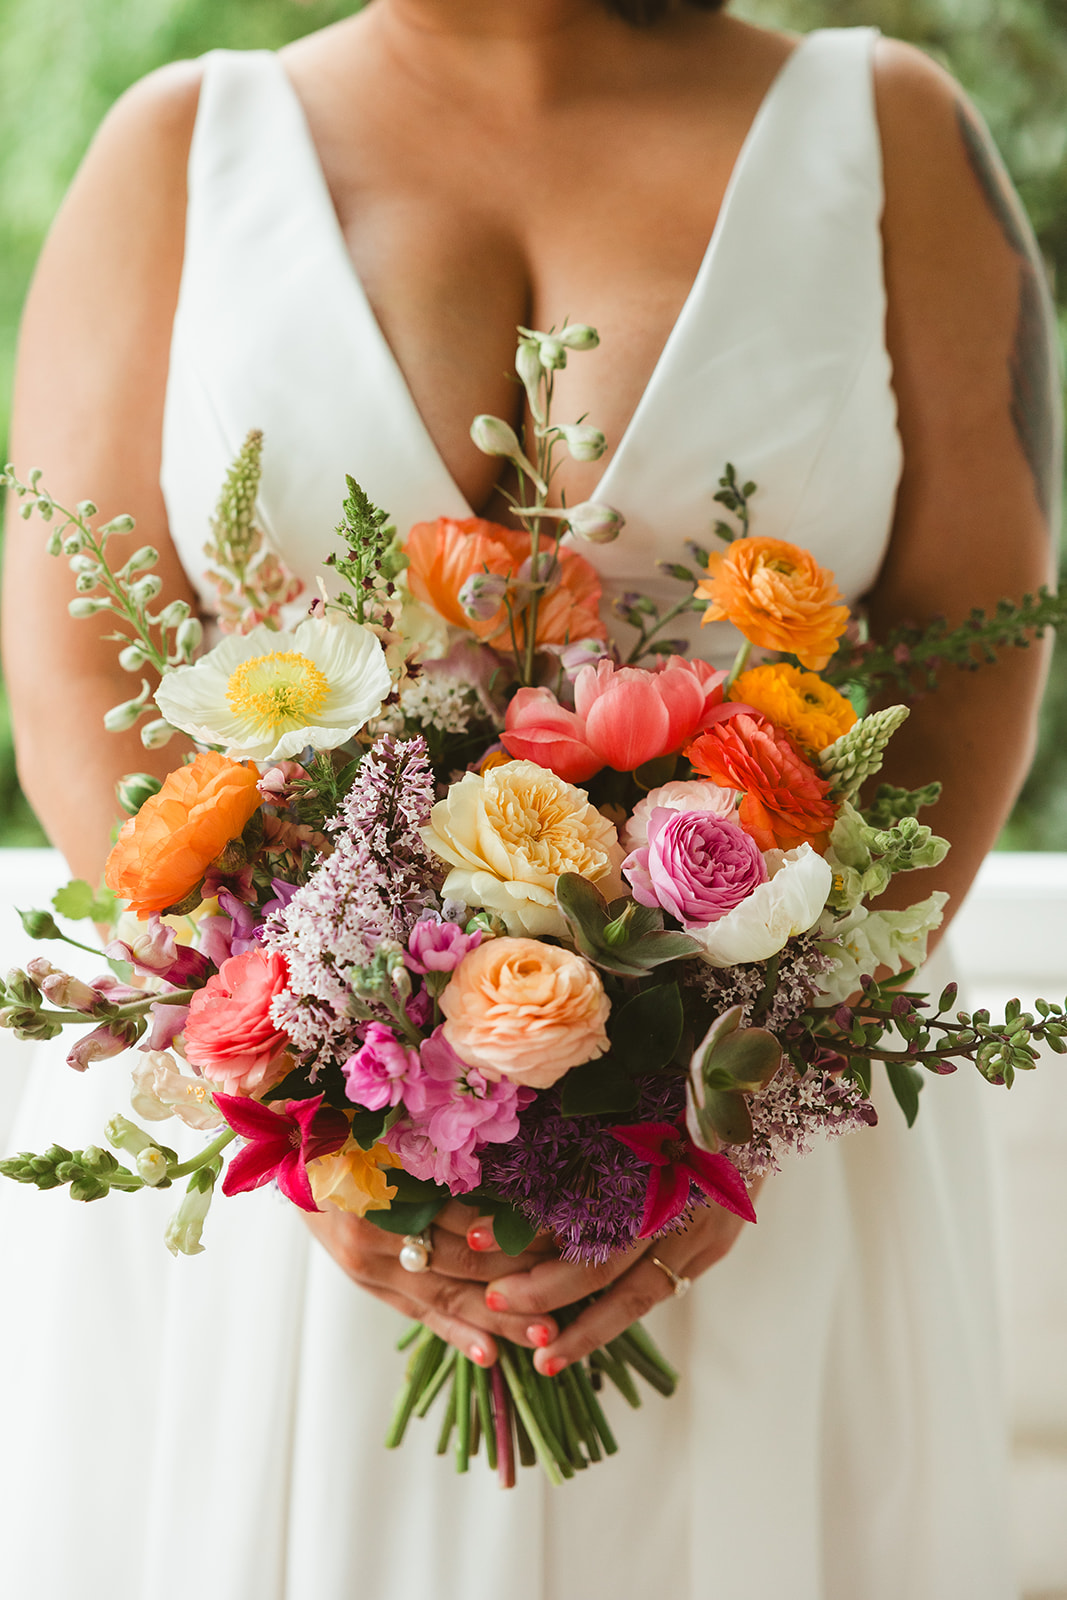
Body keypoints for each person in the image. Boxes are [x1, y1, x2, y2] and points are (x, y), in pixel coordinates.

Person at [0, 2, 1058, 1596]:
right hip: (309, 1158)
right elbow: (78, 663)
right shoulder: (182, 147)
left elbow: (977, 641)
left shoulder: (889, 133)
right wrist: (306, 1100)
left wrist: (759, 1078)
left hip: (754, 1143)